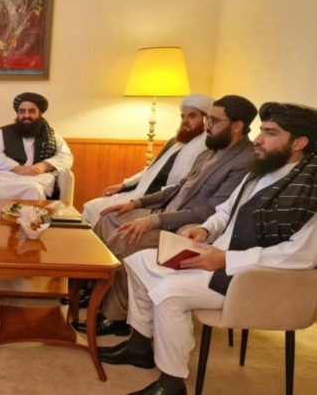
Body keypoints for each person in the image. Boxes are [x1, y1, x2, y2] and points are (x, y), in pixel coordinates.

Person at [101, 102, 317, 395]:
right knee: (139, 261)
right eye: (262, 130)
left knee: (169, 294)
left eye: (270, 133)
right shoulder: (260, 170)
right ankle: (139, 347)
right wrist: (204, 230)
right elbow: (225, 211)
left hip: (257, 279)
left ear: (299, 142)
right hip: (218, 257)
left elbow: (300, 256)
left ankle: (171, 384)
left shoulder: (309, 191)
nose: (258, 139)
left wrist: (227, 259)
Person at [75, 95, 257, 336]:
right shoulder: (211, 151)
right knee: (107, 219)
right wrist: (136, 203)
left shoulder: (245, 161)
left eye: (213, 120)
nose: (207, 126)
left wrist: (153, 220)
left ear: (237, 126)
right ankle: (97, 291)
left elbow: (211, 210)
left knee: (126, 240)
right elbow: (177, 188)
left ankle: (114, 316)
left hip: (190, 228)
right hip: (166, 212)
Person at [82, 94, 213, 226]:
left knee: (98, 210)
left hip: (158, 201)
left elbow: (184, 185)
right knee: (92, 206)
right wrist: (123, 185)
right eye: (183, 116)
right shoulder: (174, 143)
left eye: (192, 116)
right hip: (141, 194)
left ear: (207, 119)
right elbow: (151, 169)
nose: (185, 121)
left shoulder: (207, 147)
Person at [0, 92, 73, 200]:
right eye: (22, 111)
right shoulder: (5, 132)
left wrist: (44, 165)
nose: (26, 115)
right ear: (18, 114)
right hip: (8, 175)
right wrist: (18, 169)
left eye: (32, 111)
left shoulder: (51, 134)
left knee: (34, 189)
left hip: (35, 178)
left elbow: (66, 157)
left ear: (40, 113)